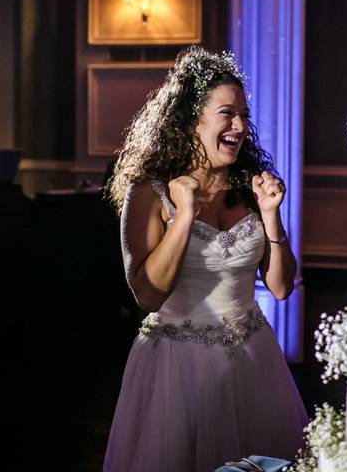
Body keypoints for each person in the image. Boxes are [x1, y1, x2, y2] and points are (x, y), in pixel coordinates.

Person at [103, 47, 308, 471]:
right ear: (189, 120)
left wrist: (271, 216)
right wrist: (185, 217)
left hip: (253, 359)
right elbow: (147, 295)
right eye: (227, 114)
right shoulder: (149, 193)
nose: (240, 126)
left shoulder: (253, 190)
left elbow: (282, 287)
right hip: (176, 367)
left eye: (244, 116)